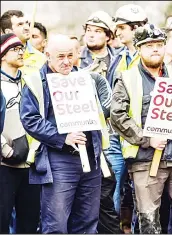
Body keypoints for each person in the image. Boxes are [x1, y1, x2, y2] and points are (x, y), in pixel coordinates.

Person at [110, 23, 172, 234]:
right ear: (138, 49)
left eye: (159, 44)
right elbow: (117, 115)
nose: (155, 49)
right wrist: (146, 138)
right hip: (146, 162)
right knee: (149, 222)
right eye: (148, 45)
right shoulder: (127, 78)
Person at [19, 34, 108, 233]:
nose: (66, 61)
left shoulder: (85, 79)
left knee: (87, 221)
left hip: (91, 158)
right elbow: (30, 119)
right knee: (56, 223)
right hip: (58, 159)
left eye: (70, 55)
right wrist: (62, 137)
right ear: (47, 55)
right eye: (60, 57)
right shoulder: (35, 82)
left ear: (78, 54)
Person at [79, 10, 123, 234]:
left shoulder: (121, 59)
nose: (92, 35)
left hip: (118, 134)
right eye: (88, 31)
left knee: (115, 192)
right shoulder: (75, 60)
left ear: (108, 35)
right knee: (96, 193)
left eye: (98, 31)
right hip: (89, 137)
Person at [0, 33, 41, 234]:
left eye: (21, 48)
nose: (21, 52)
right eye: (14, 49)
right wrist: (5, 149)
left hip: (30, 163)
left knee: (29, 221)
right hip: (4, 164)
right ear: (2, 55)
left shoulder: (29, 83)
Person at [0, 10, 46, 76]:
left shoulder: (42, 58)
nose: (27, 28)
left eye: (27, 23)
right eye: (20, 24)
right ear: (8, 32)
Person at [113, 4, 148, 73]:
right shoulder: (118, 57)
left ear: (136, 28)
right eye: (117, 28)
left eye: (122, 28)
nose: (117, 33)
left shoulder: (151, 56)